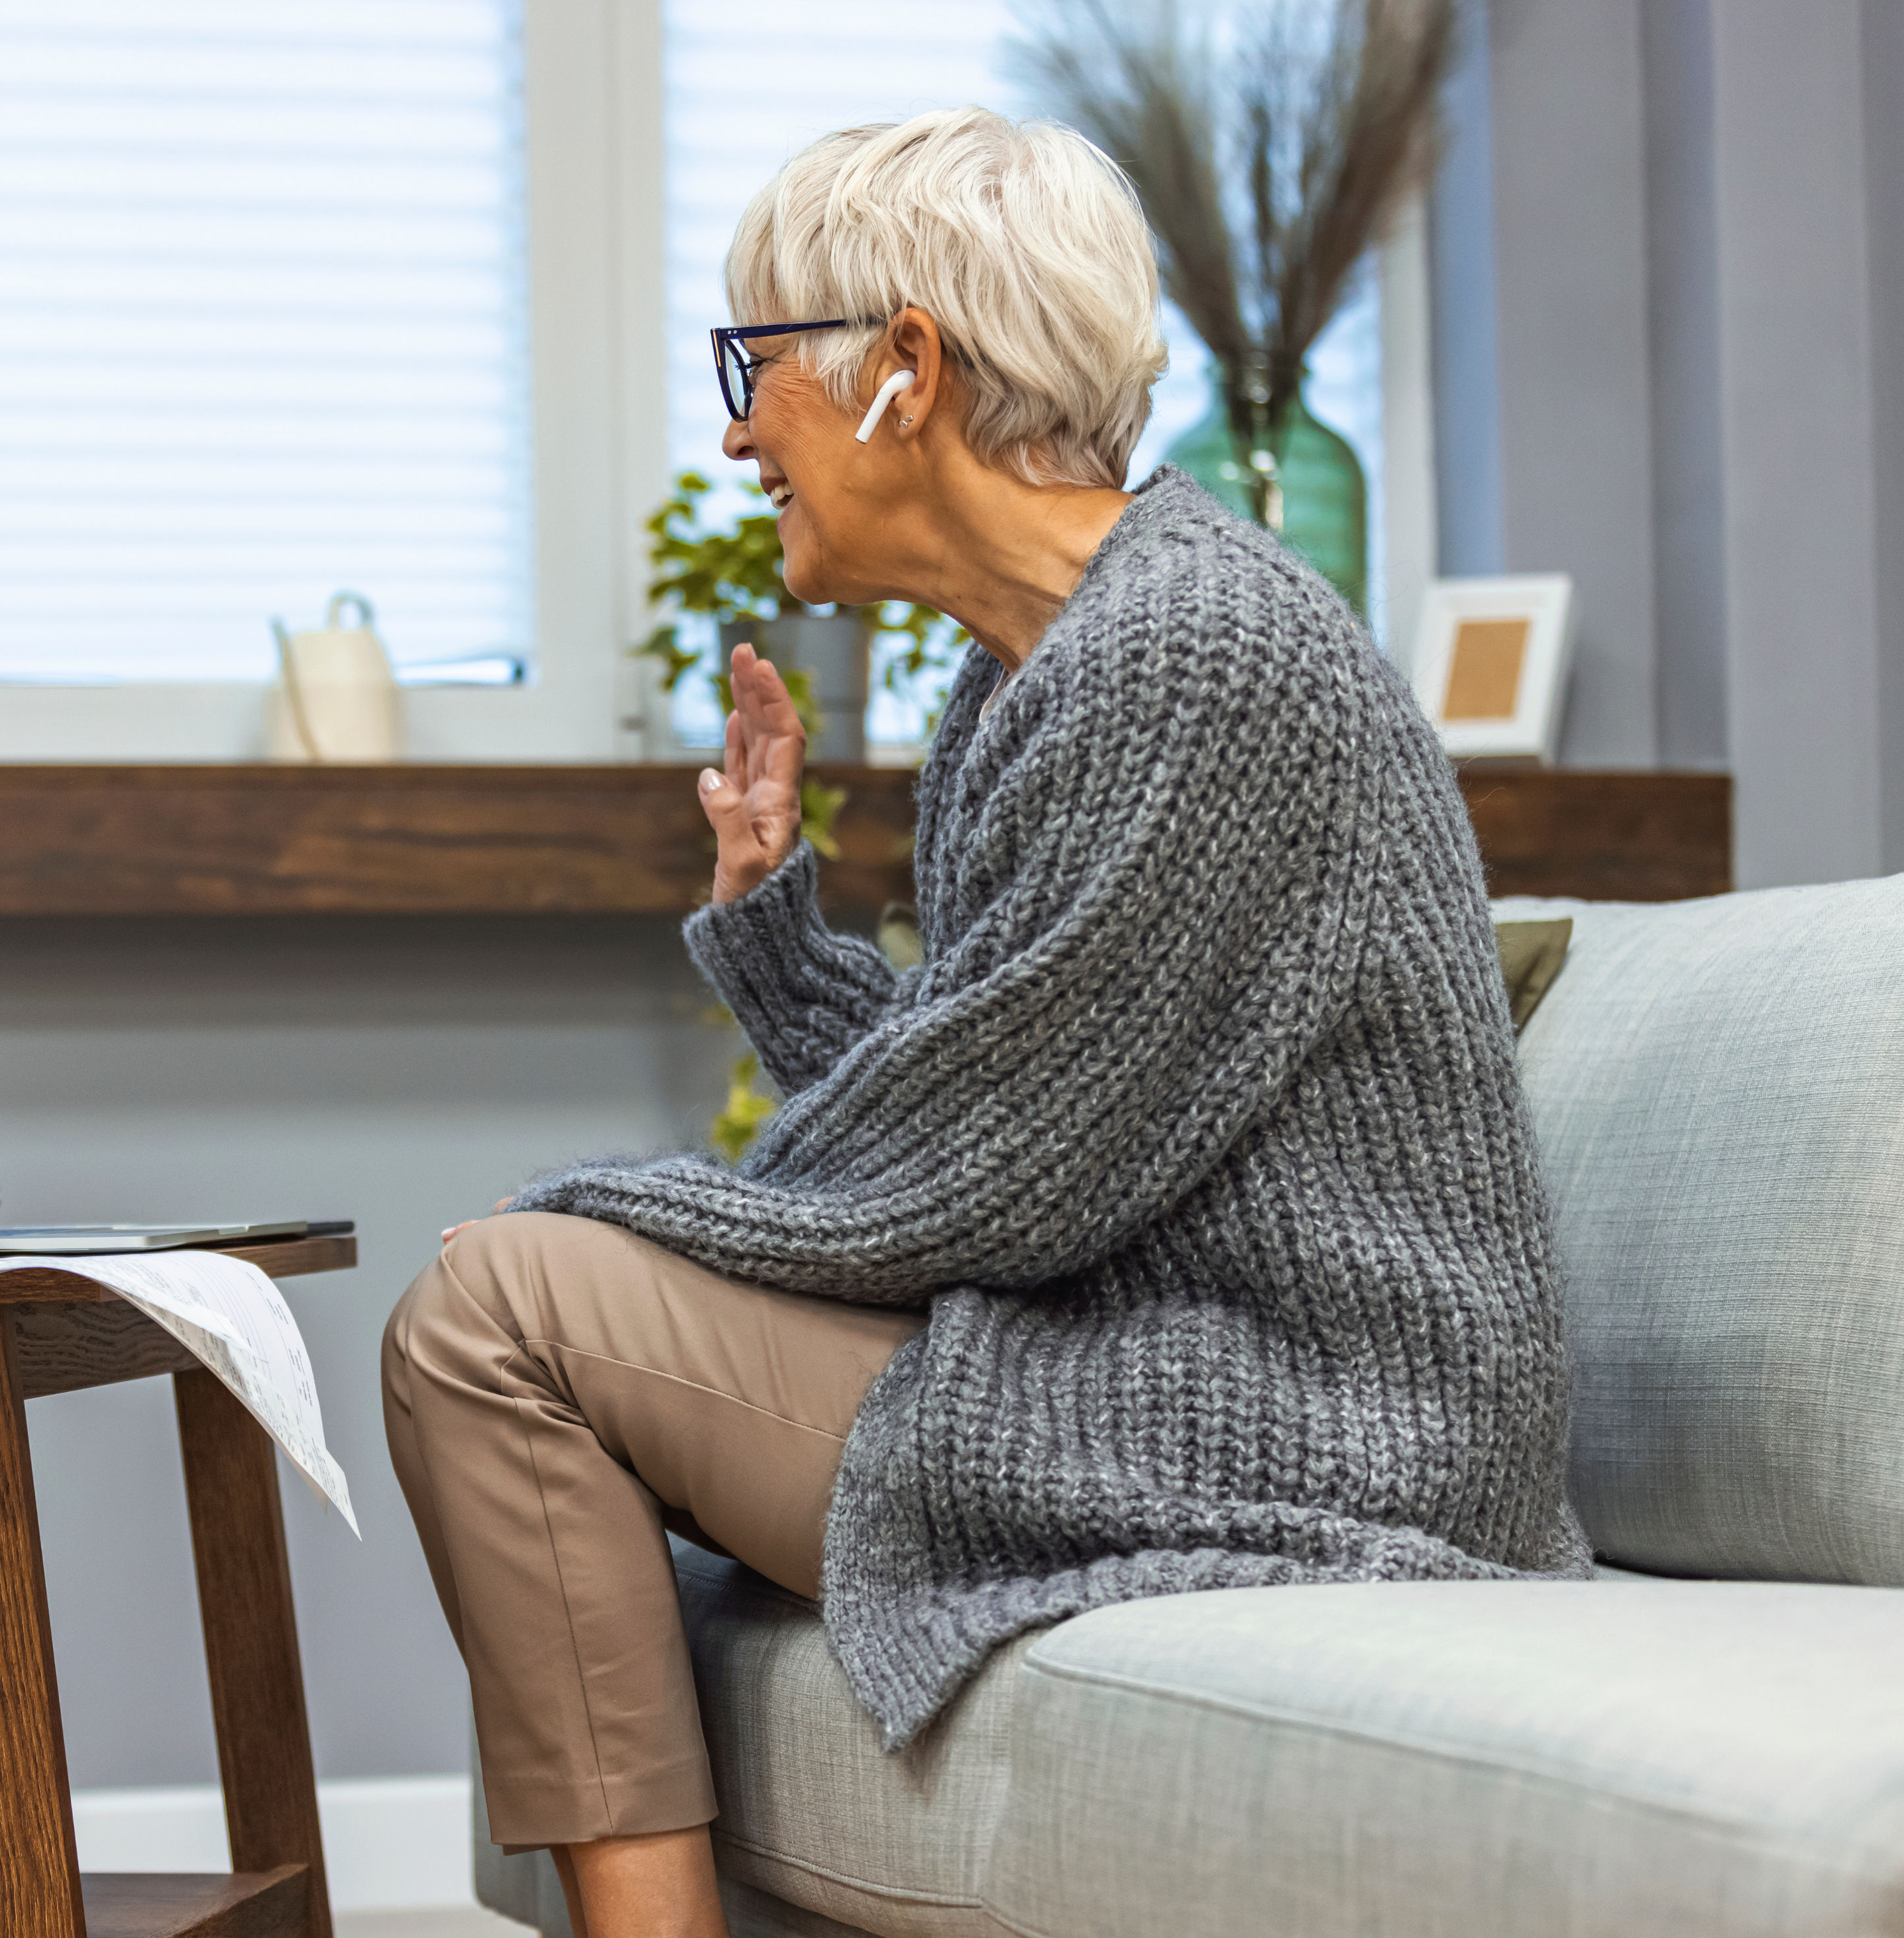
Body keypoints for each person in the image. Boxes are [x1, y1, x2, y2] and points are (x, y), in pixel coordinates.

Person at [380, 109, 1590, 1938]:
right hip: (1142, 1352)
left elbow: (981, 1170)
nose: (734, 433)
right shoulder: (1045, 663)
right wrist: (771, 929)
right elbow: (1009, 1087)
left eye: (753, 364)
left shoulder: (1192, 652)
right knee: (518, 1294)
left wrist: (596, 1210)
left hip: (1312, 1419)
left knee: (497, 1307)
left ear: (906, 368)